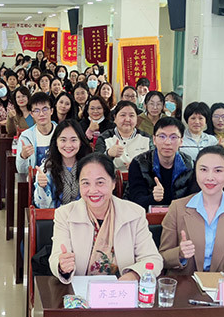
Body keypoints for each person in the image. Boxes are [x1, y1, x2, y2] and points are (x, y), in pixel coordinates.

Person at [49, 153, 163, 283]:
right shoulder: (65, 214)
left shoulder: (134, 214)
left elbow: (153, 259)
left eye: (100, 183)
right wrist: (61, 266)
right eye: (86, 183)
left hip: (122, 291)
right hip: (81, 292)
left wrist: (134, 275)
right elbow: (56, 257)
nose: (93, 190)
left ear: (113, 183)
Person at [159, 146, 224, 274]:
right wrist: (179, 254)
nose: (210, 177)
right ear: (196, 172)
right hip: (186, 285)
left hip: (222, 285)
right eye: (203, 170)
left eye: (218, 171)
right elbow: (162, 257)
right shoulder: (177, 208)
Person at [126, 117, 198, 209]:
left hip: (180, 218)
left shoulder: (190, 165)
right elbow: (135, 201)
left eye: (173, 137)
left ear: (181, 141)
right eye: (162, 136)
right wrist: (152, 198)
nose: (167, 142)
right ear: (154, 139)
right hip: (147, 219)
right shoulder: (139, 163)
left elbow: (193, 200)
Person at [34, 120, 92, 208]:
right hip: (55, 218)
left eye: (73, 140)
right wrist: (42, 187)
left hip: (86, 217)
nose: (68, 145)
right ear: (56, 142)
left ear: (80, 142)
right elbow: (43, 207)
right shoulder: (46, 169)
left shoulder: (90, 167)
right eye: (63, 140)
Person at [94, 101, 151, 170]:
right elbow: (95, 163)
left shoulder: (146, 138)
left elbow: (155, 162)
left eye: (131, 116)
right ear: (115, 118)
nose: (127, 119)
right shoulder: (104, 137)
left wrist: (140, 165)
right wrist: (108, 154)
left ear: (137, 119)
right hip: (113, 179)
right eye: (123, 115)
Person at [16, 92, 58, 174]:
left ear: (51, 111)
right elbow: (21, 171)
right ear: (31, 114)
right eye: (36, 110)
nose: (41, 114)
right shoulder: (26, 137)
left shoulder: (61, 132)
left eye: (45, 109)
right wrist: (23, 156)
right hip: (35, 182)